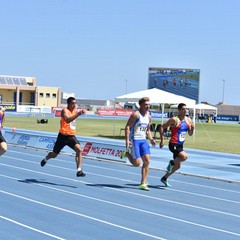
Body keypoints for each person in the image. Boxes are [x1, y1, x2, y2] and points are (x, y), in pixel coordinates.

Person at [40, 97, 86, 177]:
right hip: (62, 137)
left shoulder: (74, 111)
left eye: (75, 103)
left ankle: (79, 170)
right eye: (72, 103)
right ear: (68, 104)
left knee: (79, 150)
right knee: (54, 155)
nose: (74, 105)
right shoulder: (65, 110)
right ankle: (46, 158)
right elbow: (67, 120)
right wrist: (78, 114)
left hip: (71, 136)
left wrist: (80, 112)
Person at [120, 97, 156, 191]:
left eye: (149, 104)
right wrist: (127, 140)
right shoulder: (136, 115)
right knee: (137, 163)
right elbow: (127, 127)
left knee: (147, 161)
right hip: (135, 140)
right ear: (141, 105)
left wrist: (151, 139)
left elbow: (147, 130)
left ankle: (143, 183)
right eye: (146, 104)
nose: (148, 106)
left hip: (143, 141)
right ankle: (127, 154)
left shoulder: (149, 116)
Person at [159, 103, 194, 187]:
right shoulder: (174, 120)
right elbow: (162, 127)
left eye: (186, 109)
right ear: (179, 110)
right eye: (183, 109)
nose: (185, 110)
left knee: (178, 166)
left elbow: (190, 134)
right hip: (173, 144)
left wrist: (192, 129)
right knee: (184, 157)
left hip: (180, 145)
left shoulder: (188, 120)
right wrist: (162, 140)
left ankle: (164, 178)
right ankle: (171, 162)